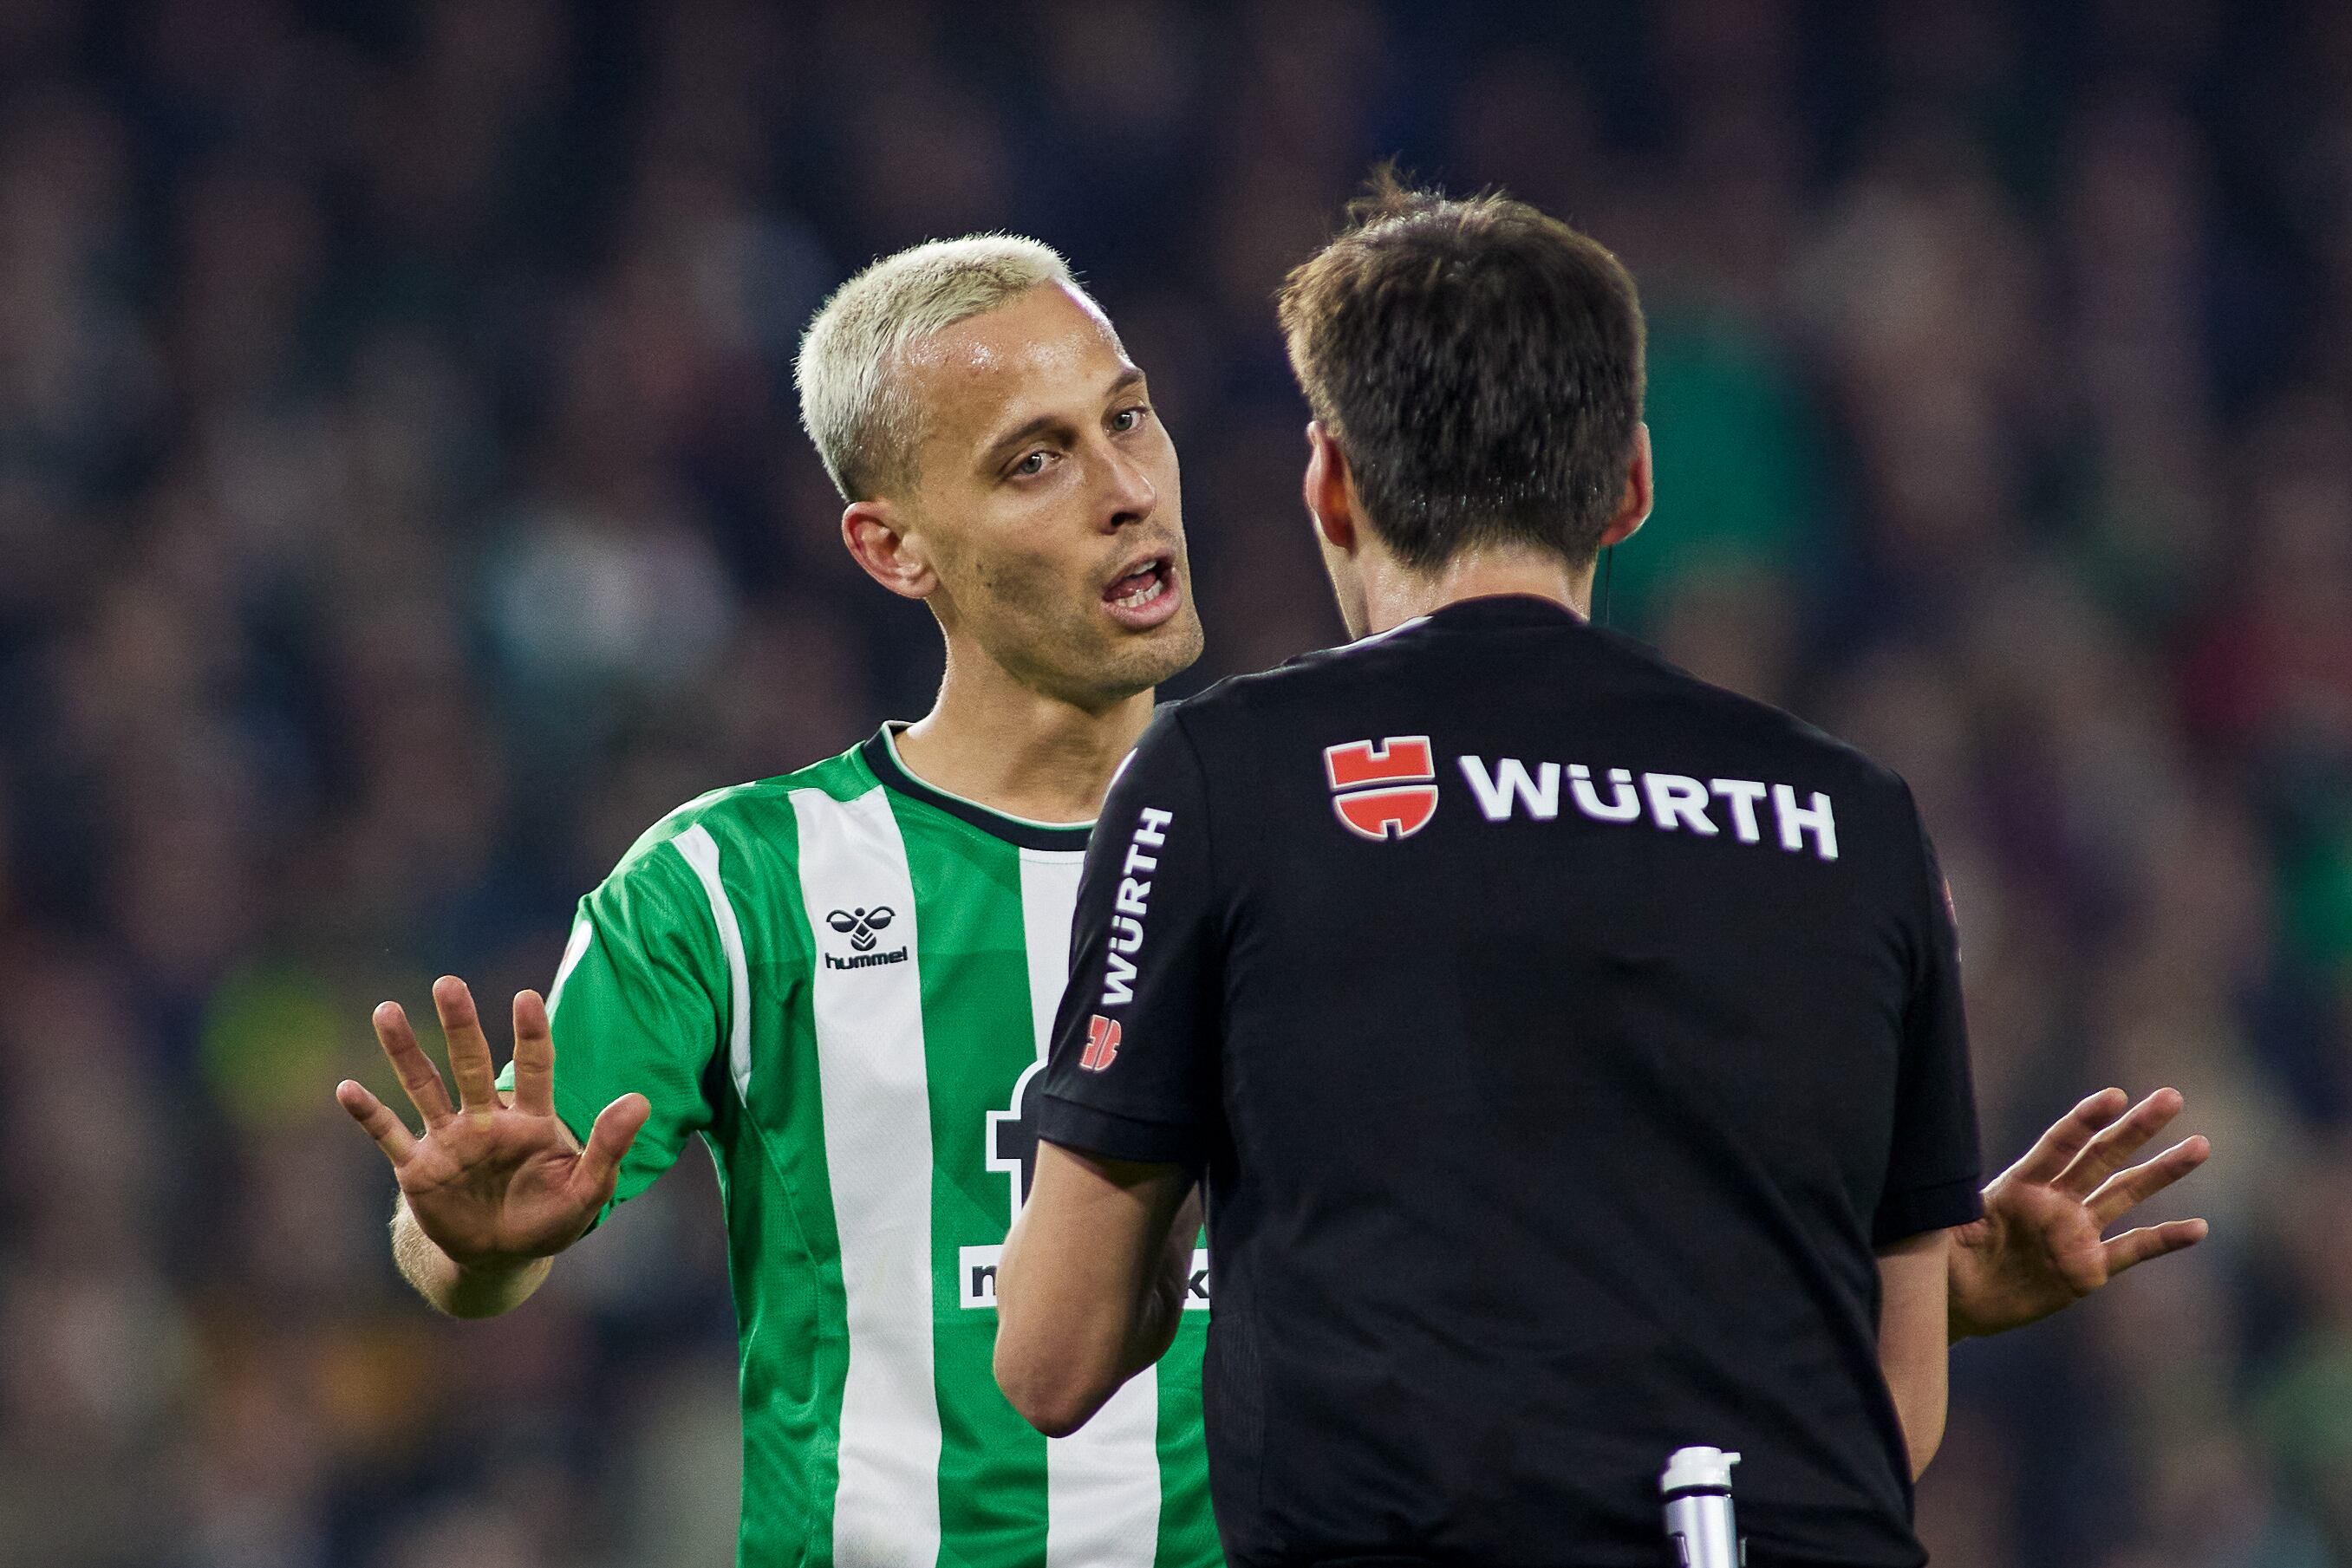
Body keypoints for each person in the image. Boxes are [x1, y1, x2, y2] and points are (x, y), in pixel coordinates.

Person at [336, 231, 2208, 1568]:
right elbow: (474, 1257)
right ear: (888, 544)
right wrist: (481, 1238)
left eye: (1129, 420)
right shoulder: (736, 884)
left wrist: (1924, 1294)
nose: (1125, 492)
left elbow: (1545, 1279)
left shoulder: (1343, 828)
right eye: (1035, 460)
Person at [991, 179, 2210, 1568]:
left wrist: (1165, 1162)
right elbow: (1890, 1413)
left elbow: (1052, 1357)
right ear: (1631, 481)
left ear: (1329, 481)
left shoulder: (1226, 774)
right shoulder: (1854, 815)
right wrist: (1928, 1288)